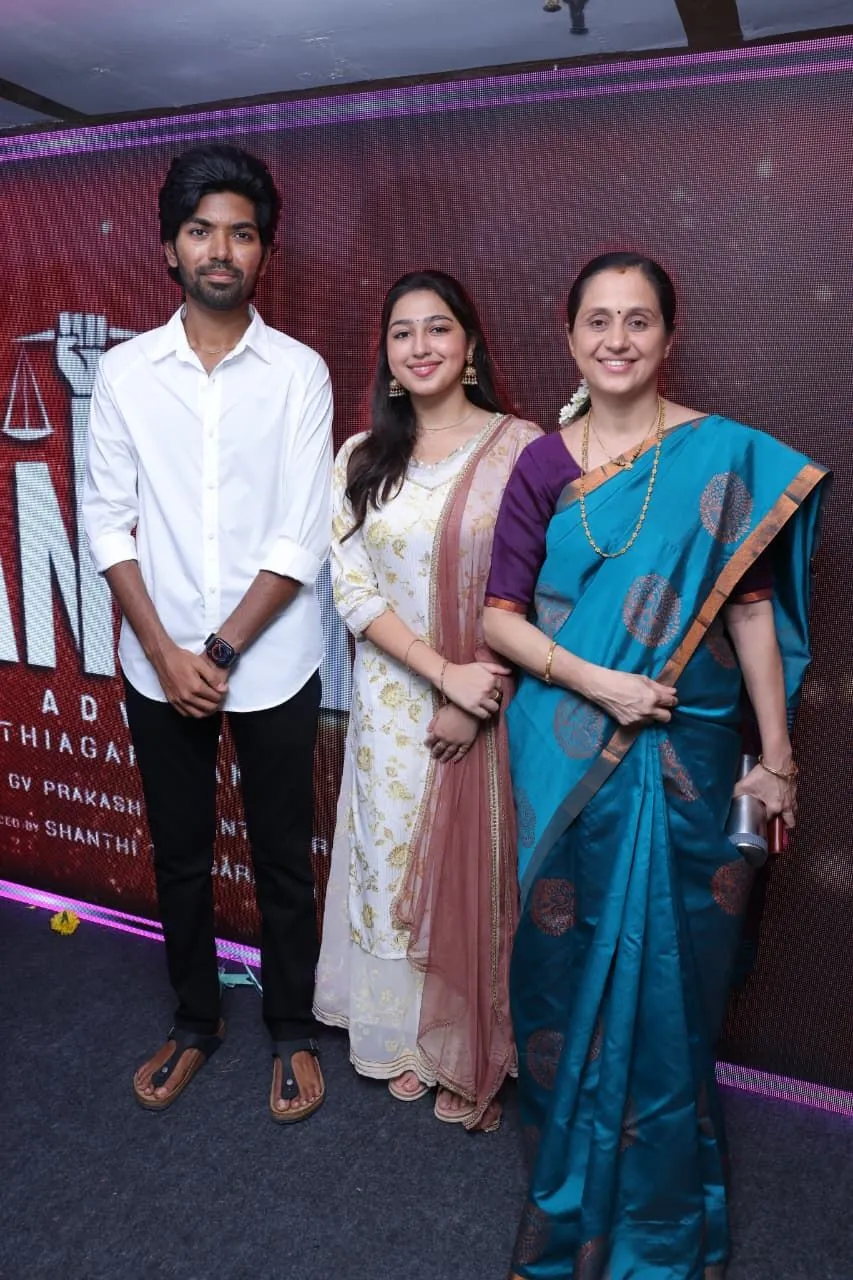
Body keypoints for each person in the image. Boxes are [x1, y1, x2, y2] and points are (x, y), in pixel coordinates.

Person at [482, 253, 827, 1276]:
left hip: (691, 753)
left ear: (668, 336)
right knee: (568, 962)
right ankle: (575, 1182)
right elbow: (499, 620)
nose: (617, 339)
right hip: (569, 749)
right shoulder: (542, 465)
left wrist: (777, 759)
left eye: (638, 320)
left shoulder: (721, 459)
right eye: (597, 320)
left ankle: (662, 1212)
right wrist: (603, 685)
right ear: (569, 335)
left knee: (676, 978)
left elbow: (752, 613)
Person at [82, 144, 333, 1122]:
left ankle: (291, 1027)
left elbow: (299, 532)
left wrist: (219, 651)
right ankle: (194, 1020)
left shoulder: (299, 373)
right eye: (200, 231)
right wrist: (163, 651)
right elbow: (107, 522)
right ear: (169, 250)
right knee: (179, 855)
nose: (220, 249)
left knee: (282, 858)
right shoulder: (125, 372)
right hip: (157, 662)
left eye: (240, 232)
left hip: (272, 660)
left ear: (263, 251)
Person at [313, 270, 540, 1131]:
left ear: (470, 343)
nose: (420, 347)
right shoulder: (361, 457)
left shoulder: (520, 450)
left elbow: (538, 587)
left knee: (478, 870)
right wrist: (440, 676)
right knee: (392, 860)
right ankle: (405, 1036)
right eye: (402, 332)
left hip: (492, 698)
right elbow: (352, 588)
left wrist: (475, 689)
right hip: (393, 704)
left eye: (437, 328)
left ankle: (469, 1040)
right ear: (385, 354)